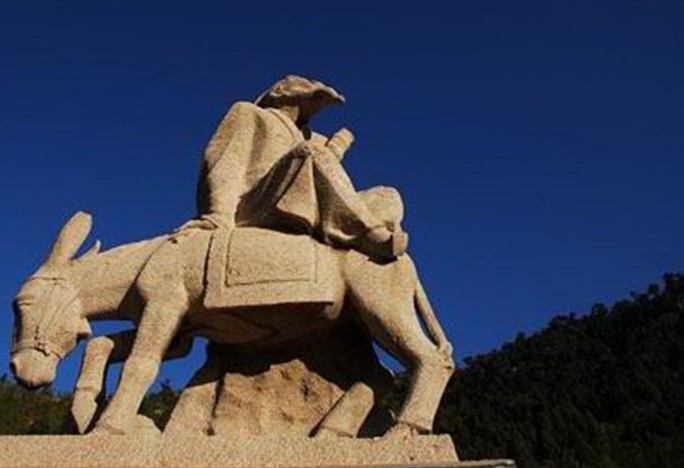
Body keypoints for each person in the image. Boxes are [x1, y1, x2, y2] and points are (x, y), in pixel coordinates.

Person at [177, 75, 407, 259]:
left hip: (309, 205)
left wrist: (336, 148)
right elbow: (225, 162)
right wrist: (218, 215)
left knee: (387, 194)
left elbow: (328, 181)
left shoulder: (314, 138)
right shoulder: (250, 113)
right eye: (305, 85)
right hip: (257, 204)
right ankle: (367, 233)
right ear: (279, 91)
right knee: (310, 152)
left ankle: (367, 231)